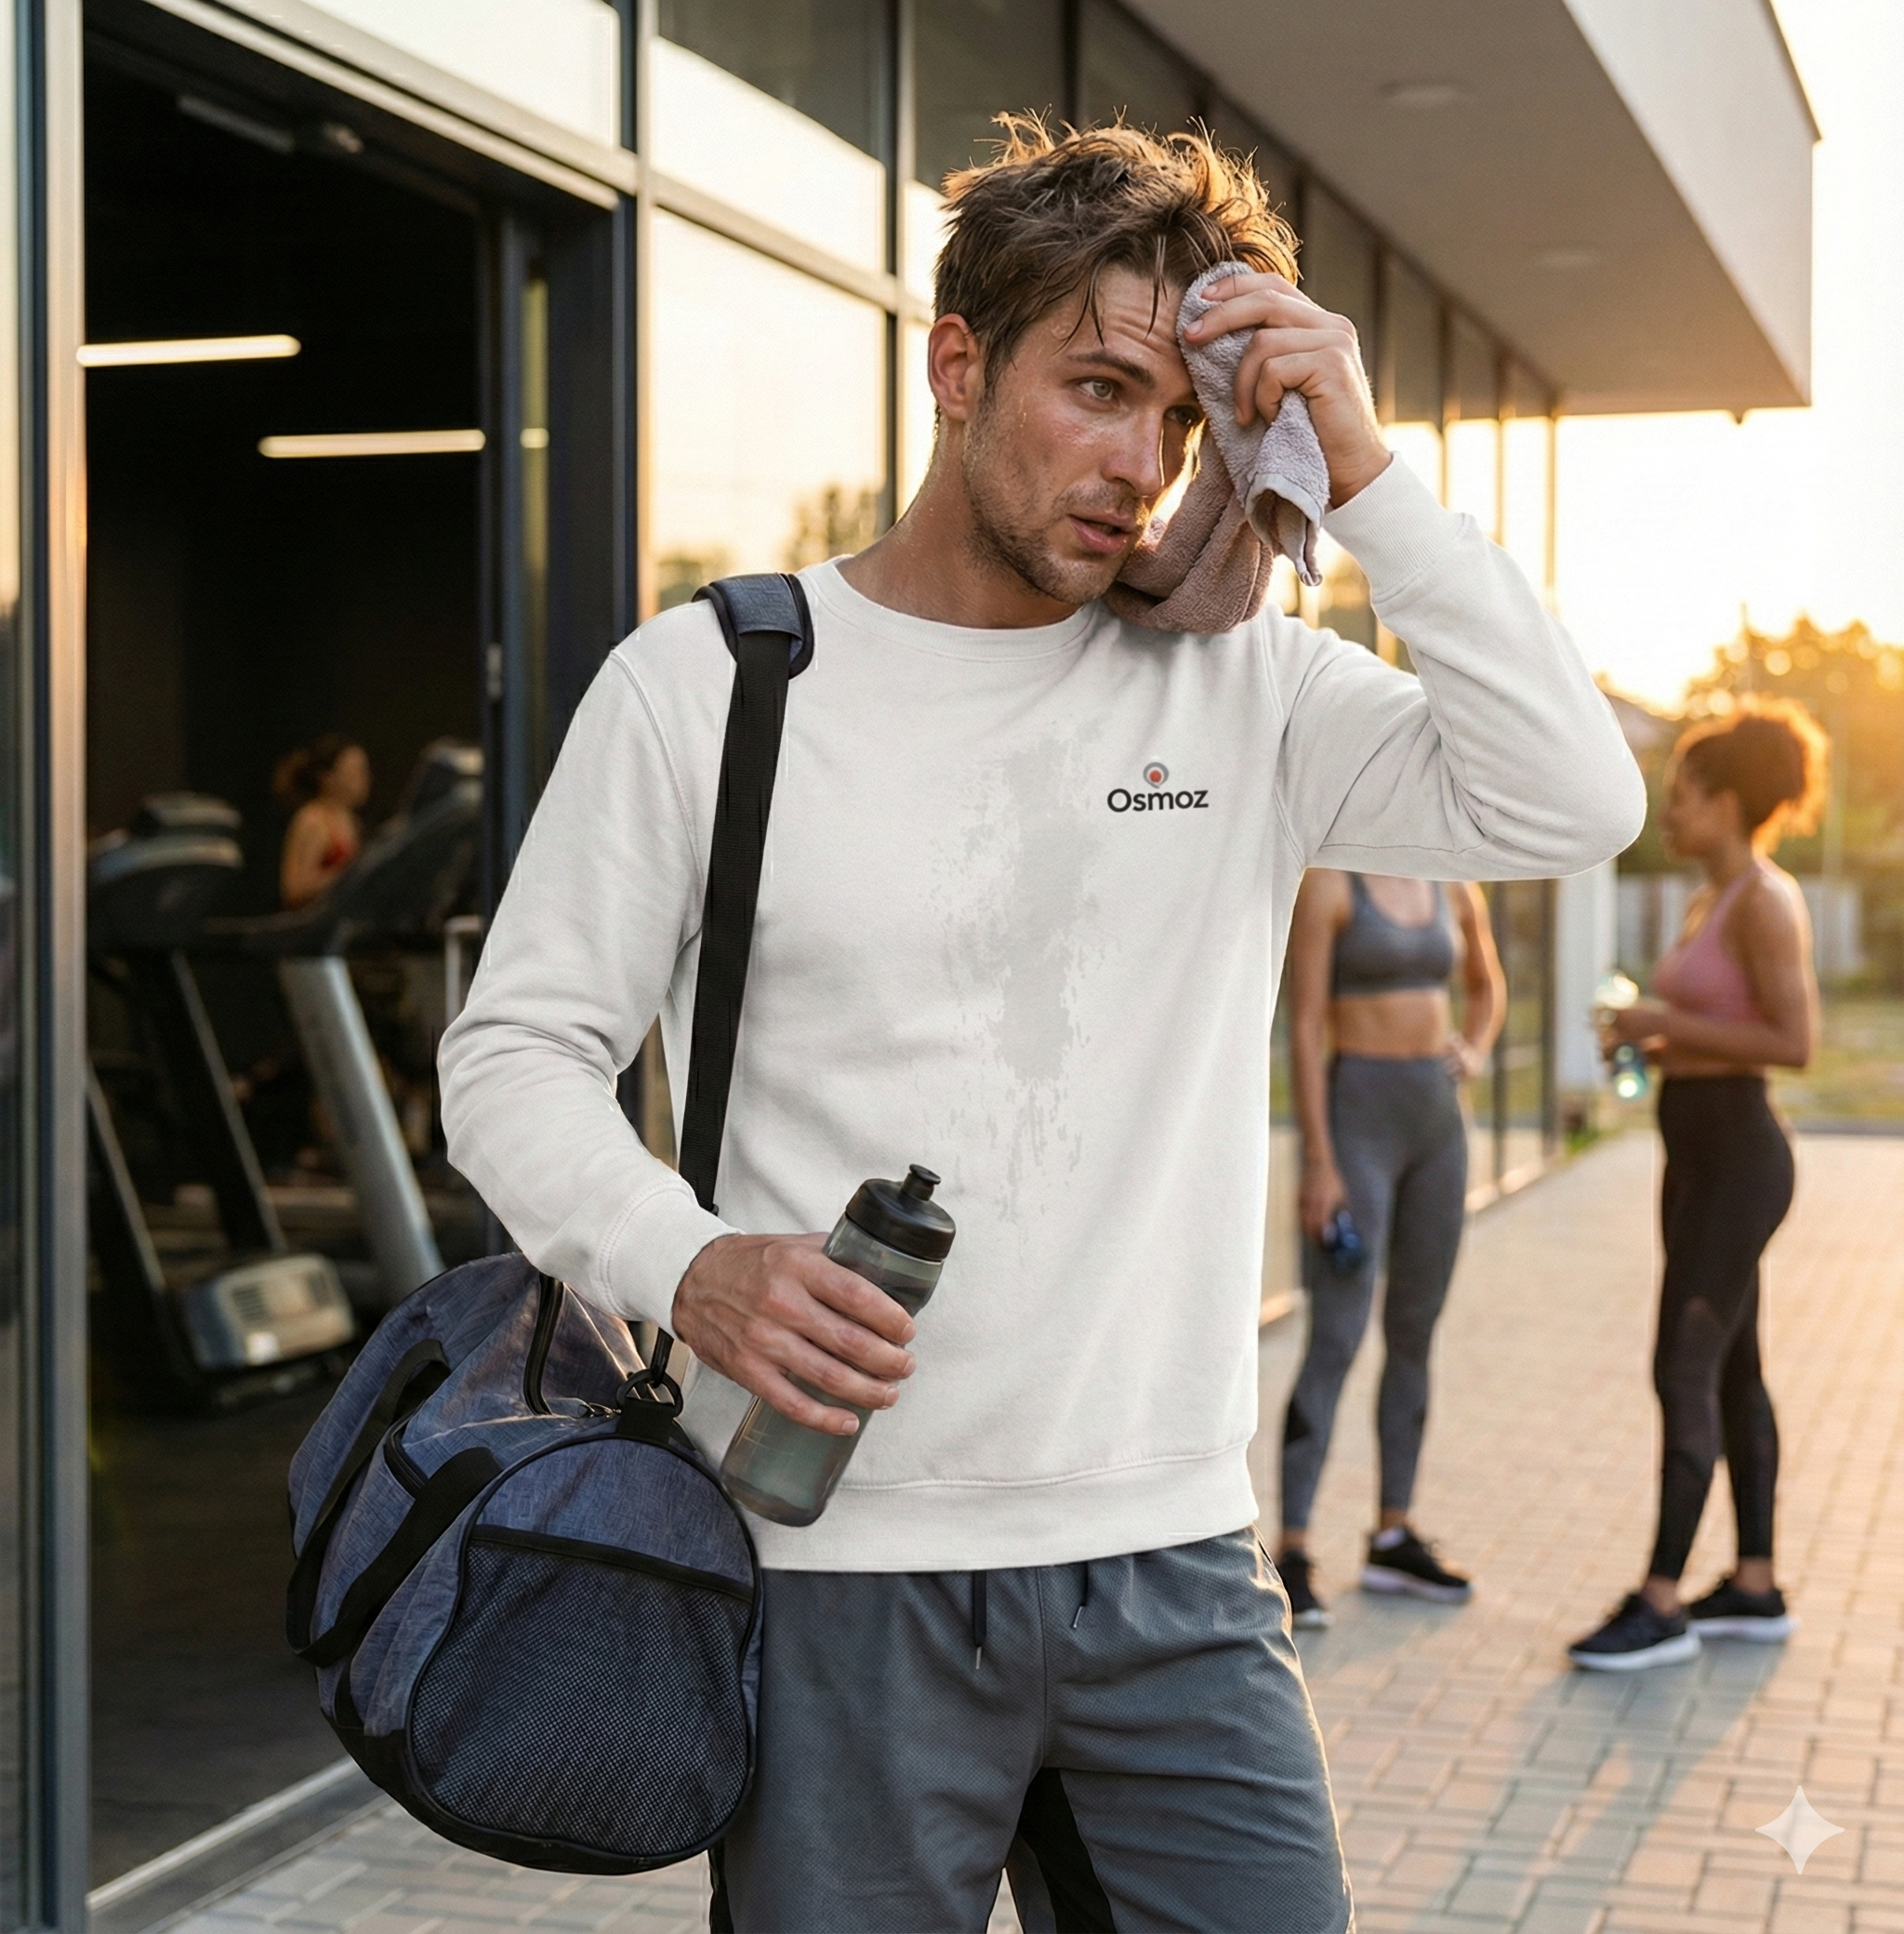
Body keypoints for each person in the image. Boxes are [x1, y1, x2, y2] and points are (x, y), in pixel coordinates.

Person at [440, 119, 1643, 1932]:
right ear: (954, 363)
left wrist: (1368, 474)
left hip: (1171, 1566)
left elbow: (1566, 801)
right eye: (1096, 390)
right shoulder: (715, 682)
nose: (1138, 468)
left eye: (1177, 422)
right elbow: (511, 1054)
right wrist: (689, 1264)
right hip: (836, 1567)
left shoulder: (1248, 690)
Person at [1568, 697, 1823, 1673]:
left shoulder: (1762, 898)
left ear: (1726, 804)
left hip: (1740, 1159)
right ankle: (1752, 1585)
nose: (1665, 814)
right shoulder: (1704, 899)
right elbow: (1710, 1026)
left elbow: (1789, 1044)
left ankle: (1660, 1599)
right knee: (1729, 1368)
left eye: (1679, 799)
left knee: (1680, 1366)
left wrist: (1657, 1026)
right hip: (1695, 1157)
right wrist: (1649, 1035)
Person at [1275, 871, 1503, 1627]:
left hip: (1438, 1126)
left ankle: (1393, 1531)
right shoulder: (1331, 884)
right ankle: (1295, 1550)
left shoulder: (1454, 882)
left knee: (1414, 1332)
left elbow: (1487, 982)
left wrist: (1473, 1048)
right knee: (1336, 1338)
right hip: (1356, 1119)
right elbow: (1304, 1025)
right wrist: (1319, 1160)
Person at [274, 734, 370, 908]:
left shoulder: (353, 822)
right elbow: (294, 890)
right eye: (355, 772)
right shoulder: (313, 820)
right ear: (327, 778)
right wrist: (351, 875)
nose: (364, 780)